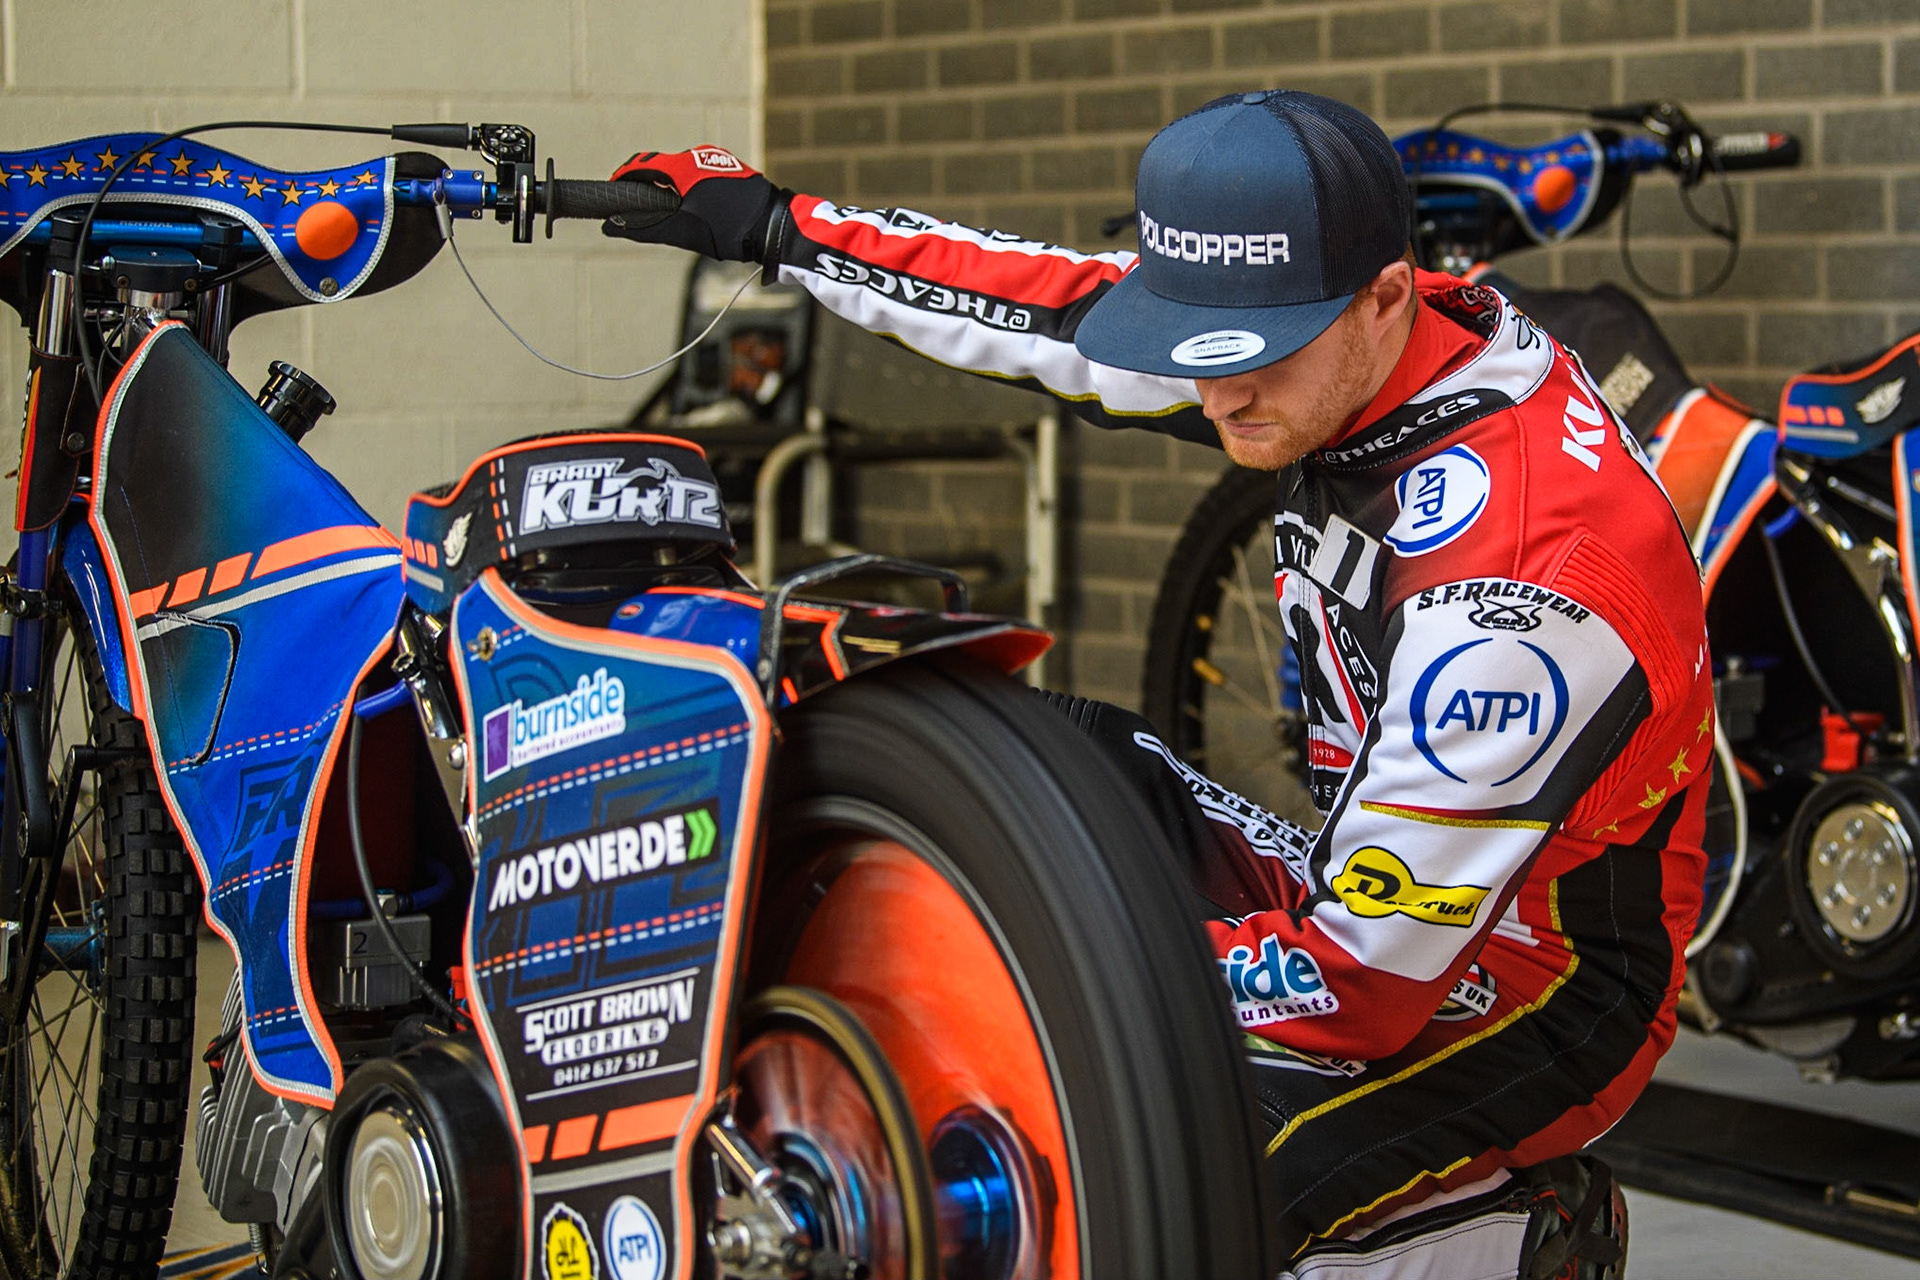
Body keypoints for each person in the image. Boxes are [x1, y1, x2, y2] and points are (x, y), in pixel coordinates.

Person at [607, 91, 1707, 1267]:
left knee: (1199, 1187)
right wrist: (779, 224)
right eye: (1193, 345)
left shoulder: (1521, 595)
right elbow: (1035, 303)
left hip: (1533, 976)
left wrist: (1035, 965)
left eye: (1250, 358)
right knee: (1059, 761)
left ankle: (1520, 1239)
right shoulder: (1341, 344)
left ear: (1387, 294)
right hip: (1374, 873)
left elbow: (1364, 983)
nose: (1217, 393)